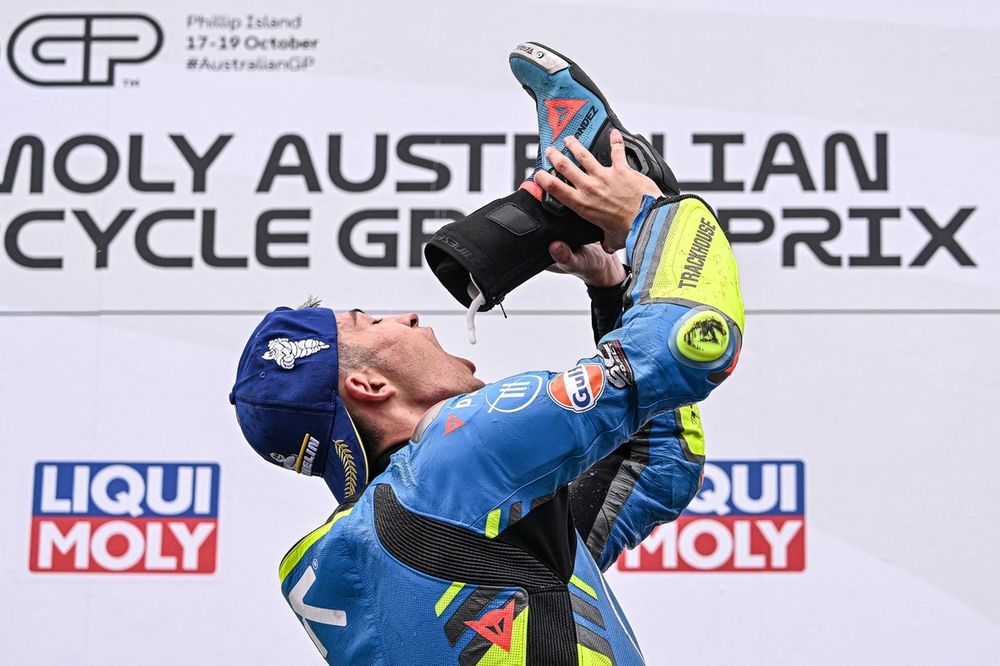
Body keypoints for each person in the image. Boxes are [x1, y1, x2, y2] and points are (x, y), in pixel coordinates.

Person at [230, 43, 744, 665]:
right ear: (367, 386)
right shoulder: (457, 457)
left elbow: (652, 466)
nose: (408, 317)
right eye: (370, 321)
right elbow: (692, 342)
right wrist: (650, 212)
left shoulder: (352, 560)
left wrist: (611, 290)